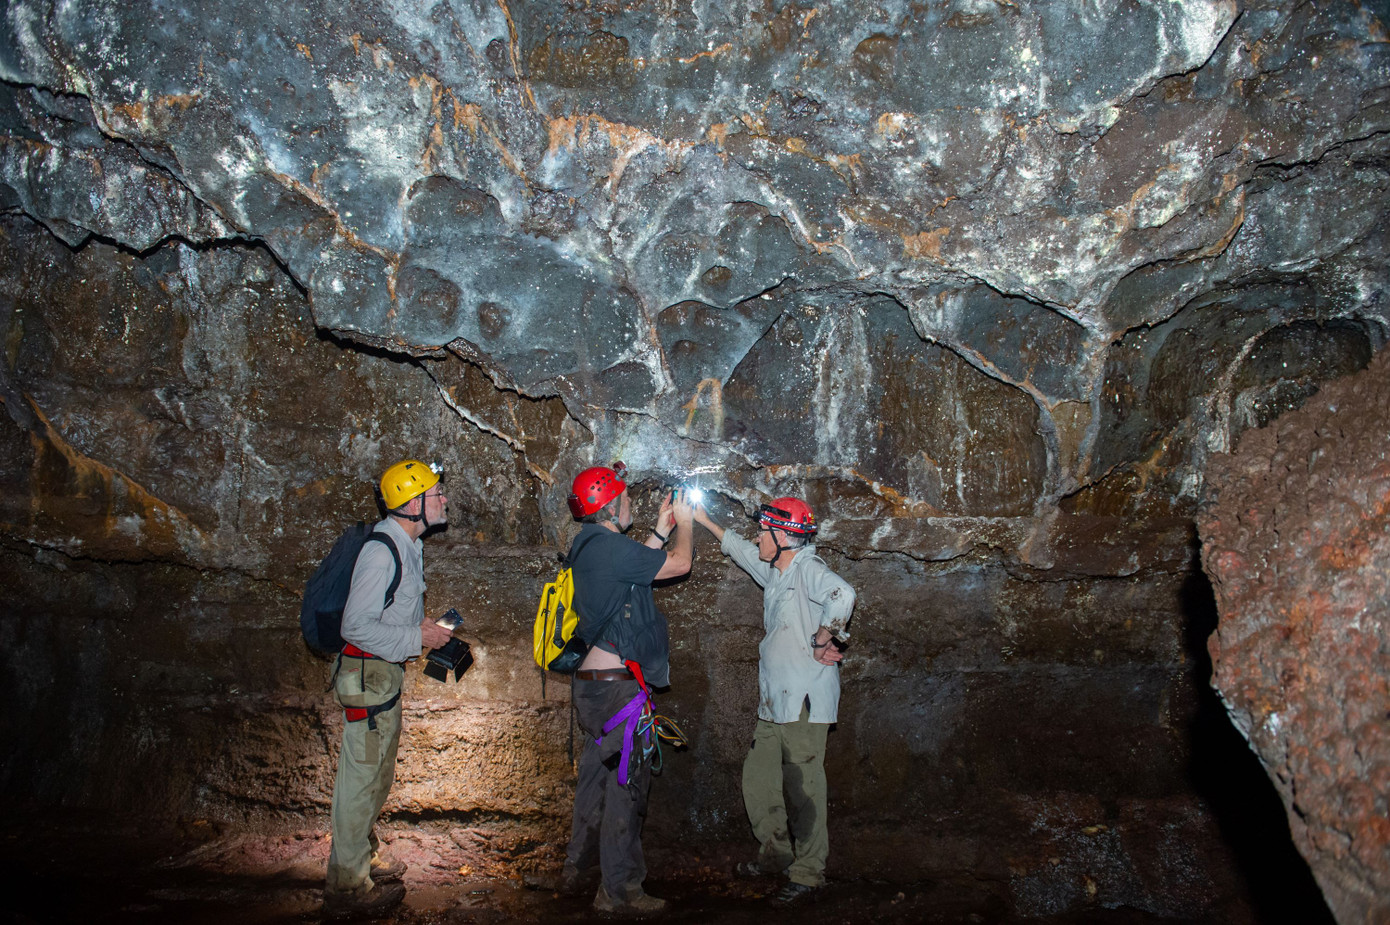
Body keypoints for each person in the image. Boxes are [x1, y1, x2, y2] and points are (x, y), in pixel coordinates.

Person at [693, 496, 854, 904]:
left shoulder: (807, 570)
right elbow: (743, 552)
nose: (757, 537)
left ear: (782, 537)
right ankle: (776, 853)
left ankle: (809, 873)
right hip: (773, 703)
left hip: (803, 700)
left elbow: (843, 594)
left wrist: (822, 639)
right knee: (759, 778)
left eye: (763, 531)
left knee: (803, 788)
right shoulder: (776, 572)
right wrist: (705, 521)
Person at [552, 464, 694, 915]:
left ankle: (578, 870)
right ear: (611, 506)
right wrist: (685, 526)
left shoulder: (591, 545)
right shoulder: (609, 548)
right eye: (626, 497)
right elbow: (681, 564)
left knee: (596, 779)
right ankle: (620, 890)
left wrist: (659, 532)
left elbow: (632, 575)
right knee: (626, 785)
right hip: (618, 693)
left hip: (595, 689)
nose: (630, 501)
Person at [324, 459, 455, 916]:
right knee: (361, 779)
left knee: (378, 776)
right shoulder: (382, 552)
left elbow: (391, 609)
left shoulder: (409, 544)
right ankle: (346, 888)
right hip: (366, 680)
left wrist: (420, 626)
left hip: (383, 678)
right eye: (436, 494)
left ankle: (362, 851)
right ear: (413, 503)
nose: (443, 499)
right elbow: (355, 626)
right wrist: (417, 637)